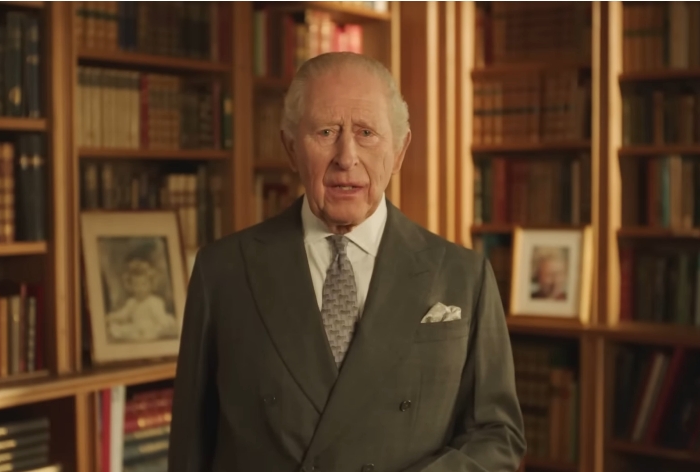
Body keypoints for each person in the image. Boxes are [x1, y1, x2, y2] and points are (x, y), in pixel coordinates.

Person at [168, 52, 526, 472]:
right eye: (326, 131)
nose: (346, 157)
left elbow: (497, 435)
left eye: (366, 132)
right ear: (289, 147)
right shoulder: (221, 272)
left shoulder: (465, 276)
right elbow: (190, 449)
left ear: (400, 150)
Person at [105, 254, 178, 342]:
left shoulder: (154, 302)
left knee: (147, 332)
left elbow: (161, 319)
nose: (139, 289)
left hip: (151, 329)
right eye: (136, 285)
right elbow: (123, 315)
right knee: (120, 329)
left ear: (151, 285)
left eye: (144, 284)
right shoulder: (132, 302)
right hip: (136, 328)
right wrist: (110, 317)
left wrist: (166, 325)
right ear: (130, 286)